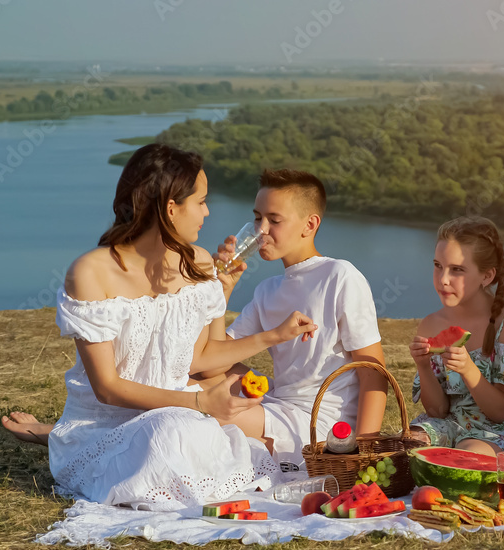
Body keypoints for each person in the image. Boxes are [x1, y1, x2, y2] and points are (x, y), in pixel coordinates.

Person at [24, 144, 317, 510]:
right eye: (201, 201)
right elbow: (108, 388)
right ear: (170, 207)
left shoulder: (198, 262)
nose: (208, 212)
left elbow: (204, 358)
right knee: (169, 433)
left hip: (181, 413)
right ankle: (62, 439)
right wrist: (200, 402)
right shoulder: (90, 272)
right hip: (111, 424)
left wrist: (273, 335)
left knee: (186, 430)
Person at [204, 168, 387, 468]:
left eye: (274, 220)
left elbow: (373, 373)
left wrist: (363, 455)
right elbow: (213, 359)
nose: (261, 230)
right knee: (192, 383)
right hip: (278, 404)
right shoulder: (268, 290)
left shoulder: (339, 276)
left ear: (310, 224)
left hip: (320, 421)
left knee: (204, 414)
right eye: (257, 218)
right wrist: (220, 292)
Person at [408, 216, 504, 455]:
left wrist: (468, 369)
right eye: (438, 265)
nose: (443, 279)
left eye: (457, 270)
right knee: (408, 447)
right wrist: (423, 367)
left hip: (497, 432)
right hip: (449, 424)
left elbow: (500, 413)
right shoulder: (431, 324)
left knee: (464, 456)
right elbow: (437, 412)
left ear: (487, 276)